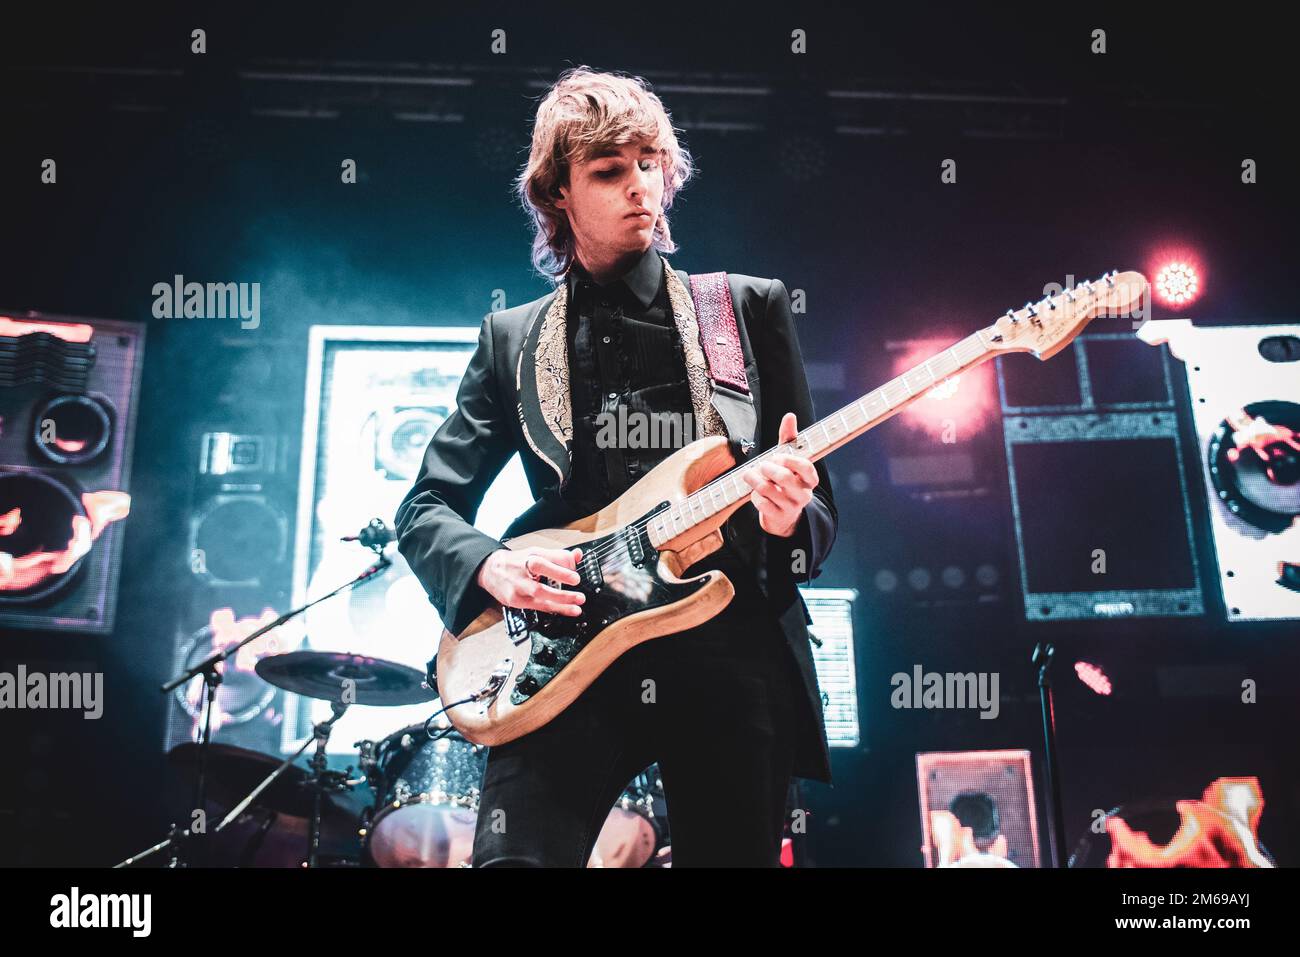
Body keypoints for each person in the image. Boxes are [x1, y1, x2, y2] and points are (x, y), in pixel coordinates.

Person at [395, 66, 837, 867]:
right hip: (565, 646)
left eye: (650, 164)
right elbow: (426, 505)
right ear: (558, 193)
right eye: (609, 170)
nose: (640, 187)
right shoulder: (512, 340)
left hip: (726, 647)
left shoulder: (745, 308)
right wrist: (492, 568)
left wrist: (786, 518)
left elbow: (816, 519)